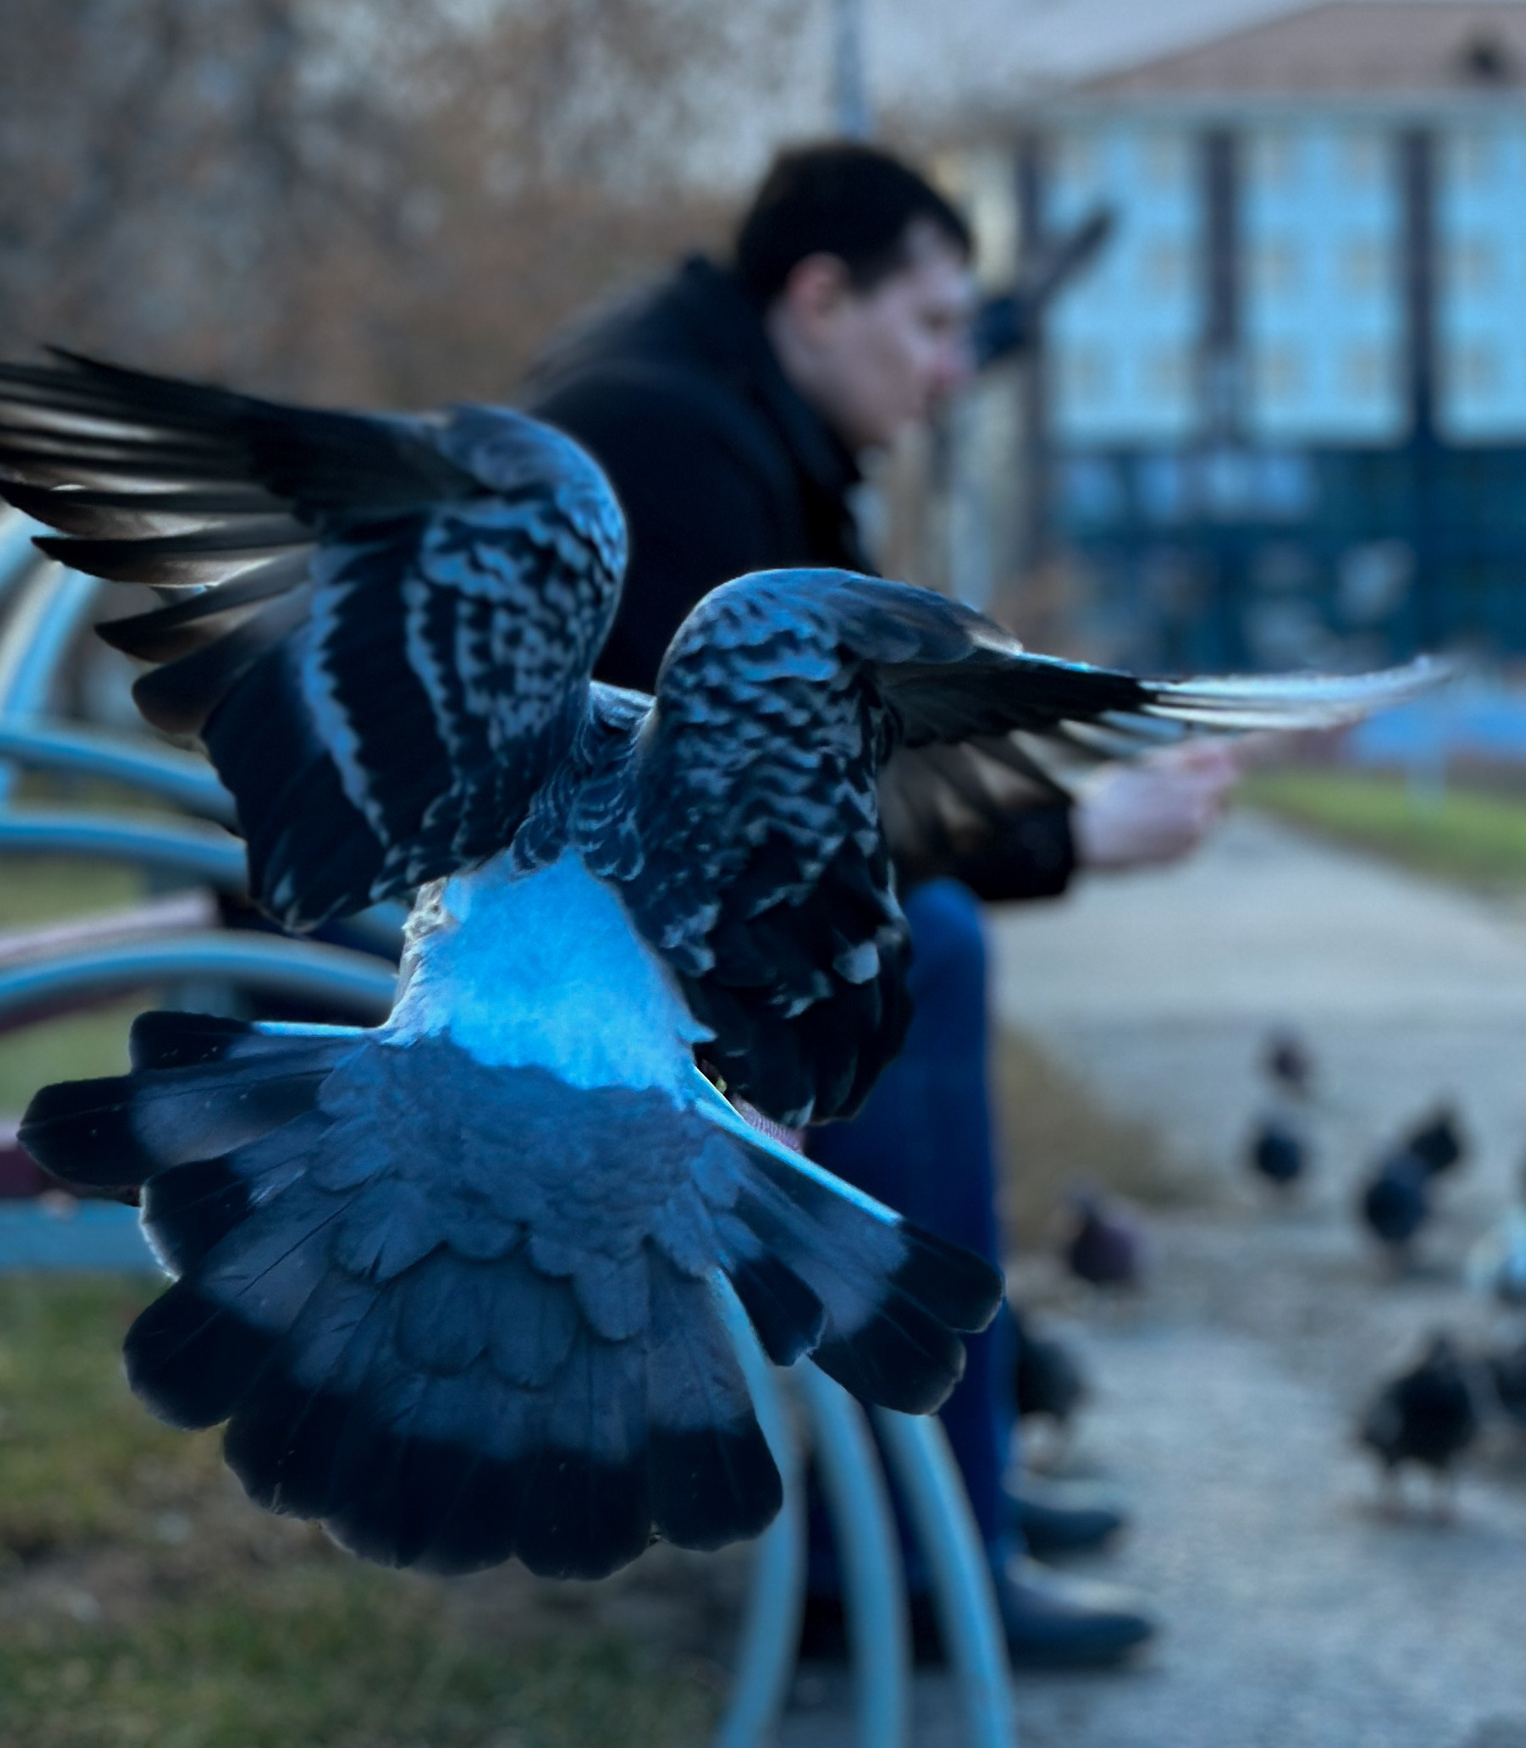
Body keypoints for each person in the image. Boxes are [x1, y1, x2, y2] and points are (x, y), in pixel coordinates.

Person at [529, 139, 1234, 1664]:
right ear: (819, 294)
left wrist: (1062, 816)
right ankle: (918, 1552)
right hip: (419, 956)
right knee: (916, 956)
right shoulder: (666, 438)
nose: (949, 371)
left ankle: (943, 1490)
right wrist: (1075, 837)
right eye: (927, 325)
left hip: (520, 907)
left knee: (909, 955)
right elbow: (771, 806)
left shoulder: (736, 418)